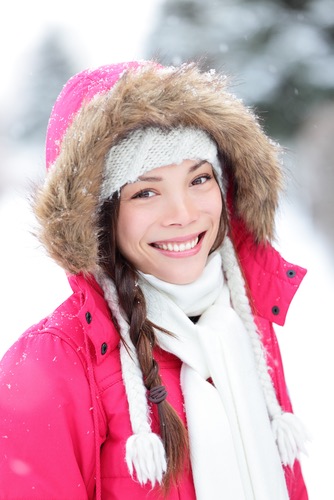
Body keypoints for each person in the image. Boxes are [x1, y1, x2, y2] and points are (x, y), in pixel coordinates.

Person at [0, 61, 309, 499]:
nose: (184, 214)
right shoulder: (53, 364)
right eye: (146, 191)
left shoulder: (243, 328)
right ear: (98, 217)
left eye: (200, 179)